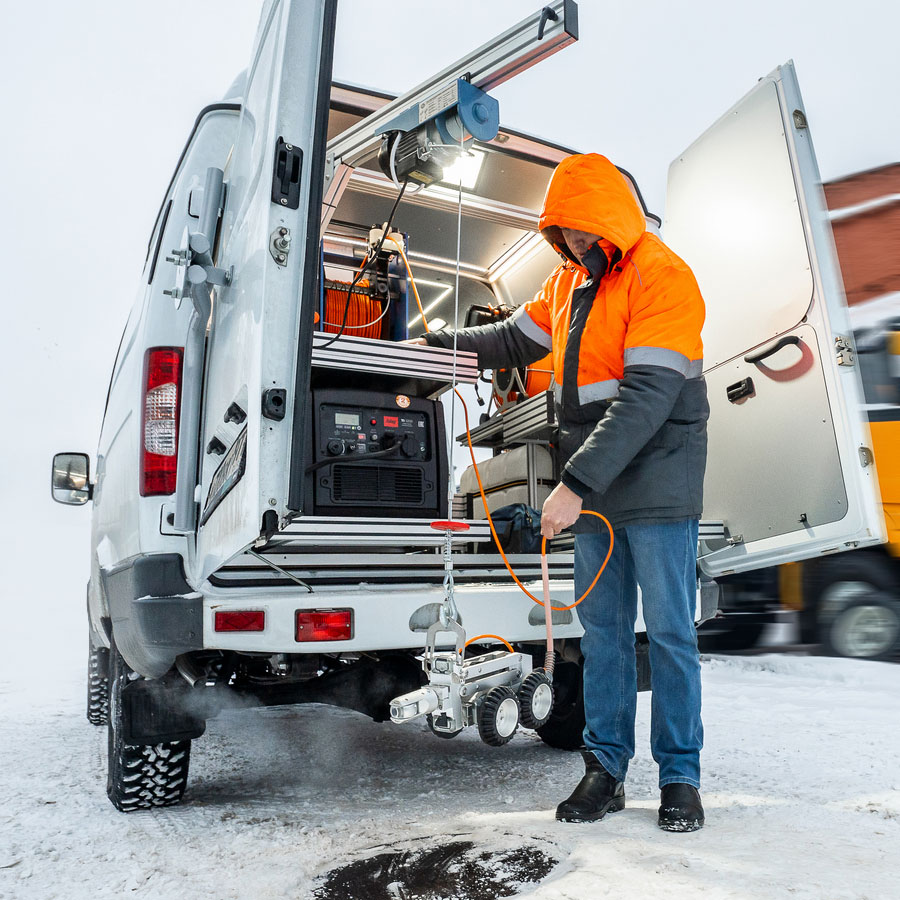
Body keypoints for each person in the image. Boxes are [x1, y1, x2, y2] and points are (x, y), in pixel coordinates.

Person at [409, 153, 709, 832]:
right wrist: (443, 345)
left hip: (658, 481)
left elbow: (648, 395)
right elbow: (516, 338)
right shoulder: (570, 283)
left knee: (667, 635)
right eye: (563, 234)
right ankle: (604, 770)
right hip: (601, 488)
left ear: (608, 217)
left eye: (581, 231)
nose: (573, 244)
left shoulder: (663, 275)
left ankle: (681, 780)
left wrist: (573, 483)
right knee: (601, 635)